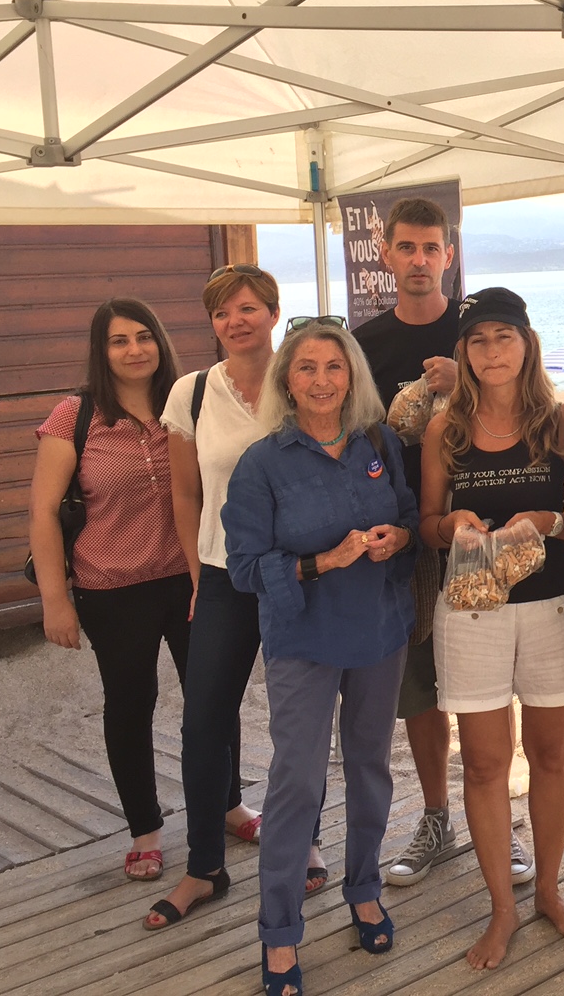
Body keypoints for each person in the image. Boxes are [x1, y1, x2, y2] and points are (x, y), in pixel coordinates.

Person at [224, 318, 418, 996]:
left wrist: (400, 536)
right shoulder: (262, 463)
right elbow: (244, 567)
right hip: (303, 638)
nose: (321, 380)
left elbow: (411, 515)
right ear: (286, 379)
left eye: (334, 367)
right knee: (296, 784)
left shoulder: (379, 442)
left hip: (379, 631)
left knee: (370, 769)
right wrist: (320, 562)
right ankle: (279, 934)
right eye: (306, 367)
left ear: (352, 376)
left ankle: (363, 887)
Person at [146, 265, 326, 930]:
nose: (235, 322)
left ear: (274, 313)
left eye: (248, 309)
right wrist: (196, 574)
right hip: (224, 576)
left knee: (298, 722)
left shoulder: (305, 380)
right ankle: (203, 868)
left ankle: (304, 840)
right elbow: (185, 491)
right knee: (204, 723)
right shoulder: (192, 393)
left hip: (301, 574)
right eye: (223, 313)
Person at [419, 287, 564, 969]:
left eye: (505, 337)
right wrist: (452, 525)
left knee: (552, 756)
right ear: (463, 351)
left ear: (527, 344)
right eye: (479, 340)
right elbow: (425, 524)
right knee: (487, 764)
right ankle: (502, 909)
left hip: (552, 606)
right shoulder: (445, 429)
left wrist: (551, 523)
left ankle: (548, 889)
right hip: (473, 607)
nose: (492, 352)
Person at [29, 298, 190, 884]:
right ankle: (145, 830)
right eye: (119, 341)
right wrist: (55, 600)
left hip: (191, 578)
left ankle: (226, 805)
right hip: (112, 587)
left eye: (145, 337)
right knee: (130, 705)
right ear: (102, 351)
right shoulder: (75, 416)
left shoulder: (186, 402)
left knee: (211, 698)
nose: (135, 350)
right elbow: (44, 514)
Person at [351, 197, 475, 886]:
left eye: (433, 248)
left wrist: (469, 385)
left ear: (448, 256)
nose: (421, 260)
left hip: (477, 530)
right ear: (389, 256)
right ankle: (437, 816)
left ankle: (495, 818)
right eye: (408, 248)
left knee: (488, 687)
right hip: (404, 539)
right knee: (420, 690)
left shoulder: (479, 331)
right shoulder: (363, 344)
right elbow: (353, 439)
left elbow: (531, 408)